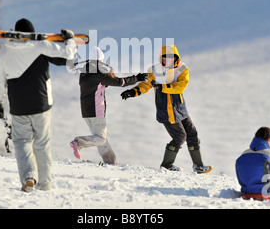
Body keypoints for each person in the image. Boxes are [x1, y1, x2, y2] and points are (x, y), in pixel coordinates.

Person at [0, 18, 77, 192]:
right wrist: (69, 40)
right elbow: (68, 58)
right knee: (42, 144)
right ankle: (45, 185)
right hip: (41, 104)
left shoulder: (5, 51)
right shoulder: (41, 46)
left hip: (19, 107)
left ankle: (29, 177)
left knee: (22, 142)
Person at [120, 45, 212, 173]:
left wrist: (163, 87)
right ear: (161, 58)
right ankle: (166, 165)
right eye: (164, 58)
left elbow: (180, 86)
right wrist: (133, 92)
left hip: (180, 108)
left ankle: (199, 166)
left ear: (176, 58)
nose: (166, 61)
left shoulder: (182, 69)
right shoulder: (154, 70)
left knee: (192, 133)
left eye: (169, 58)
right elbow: (146, 84)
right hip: (166, 110)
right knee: (180, 137)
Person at [70, 46, 148, 165]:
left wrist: (110, 74)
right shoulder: (98, 72)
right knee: (101, 139)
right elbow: (119, 82)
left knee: (100, 139)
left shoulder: (85, 72)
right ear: (100, 60)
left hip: (86, 111)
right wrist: (137, 78)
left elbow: (100, 85)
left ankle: (110, 162)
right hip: (96, 110)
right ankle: (78, 142)